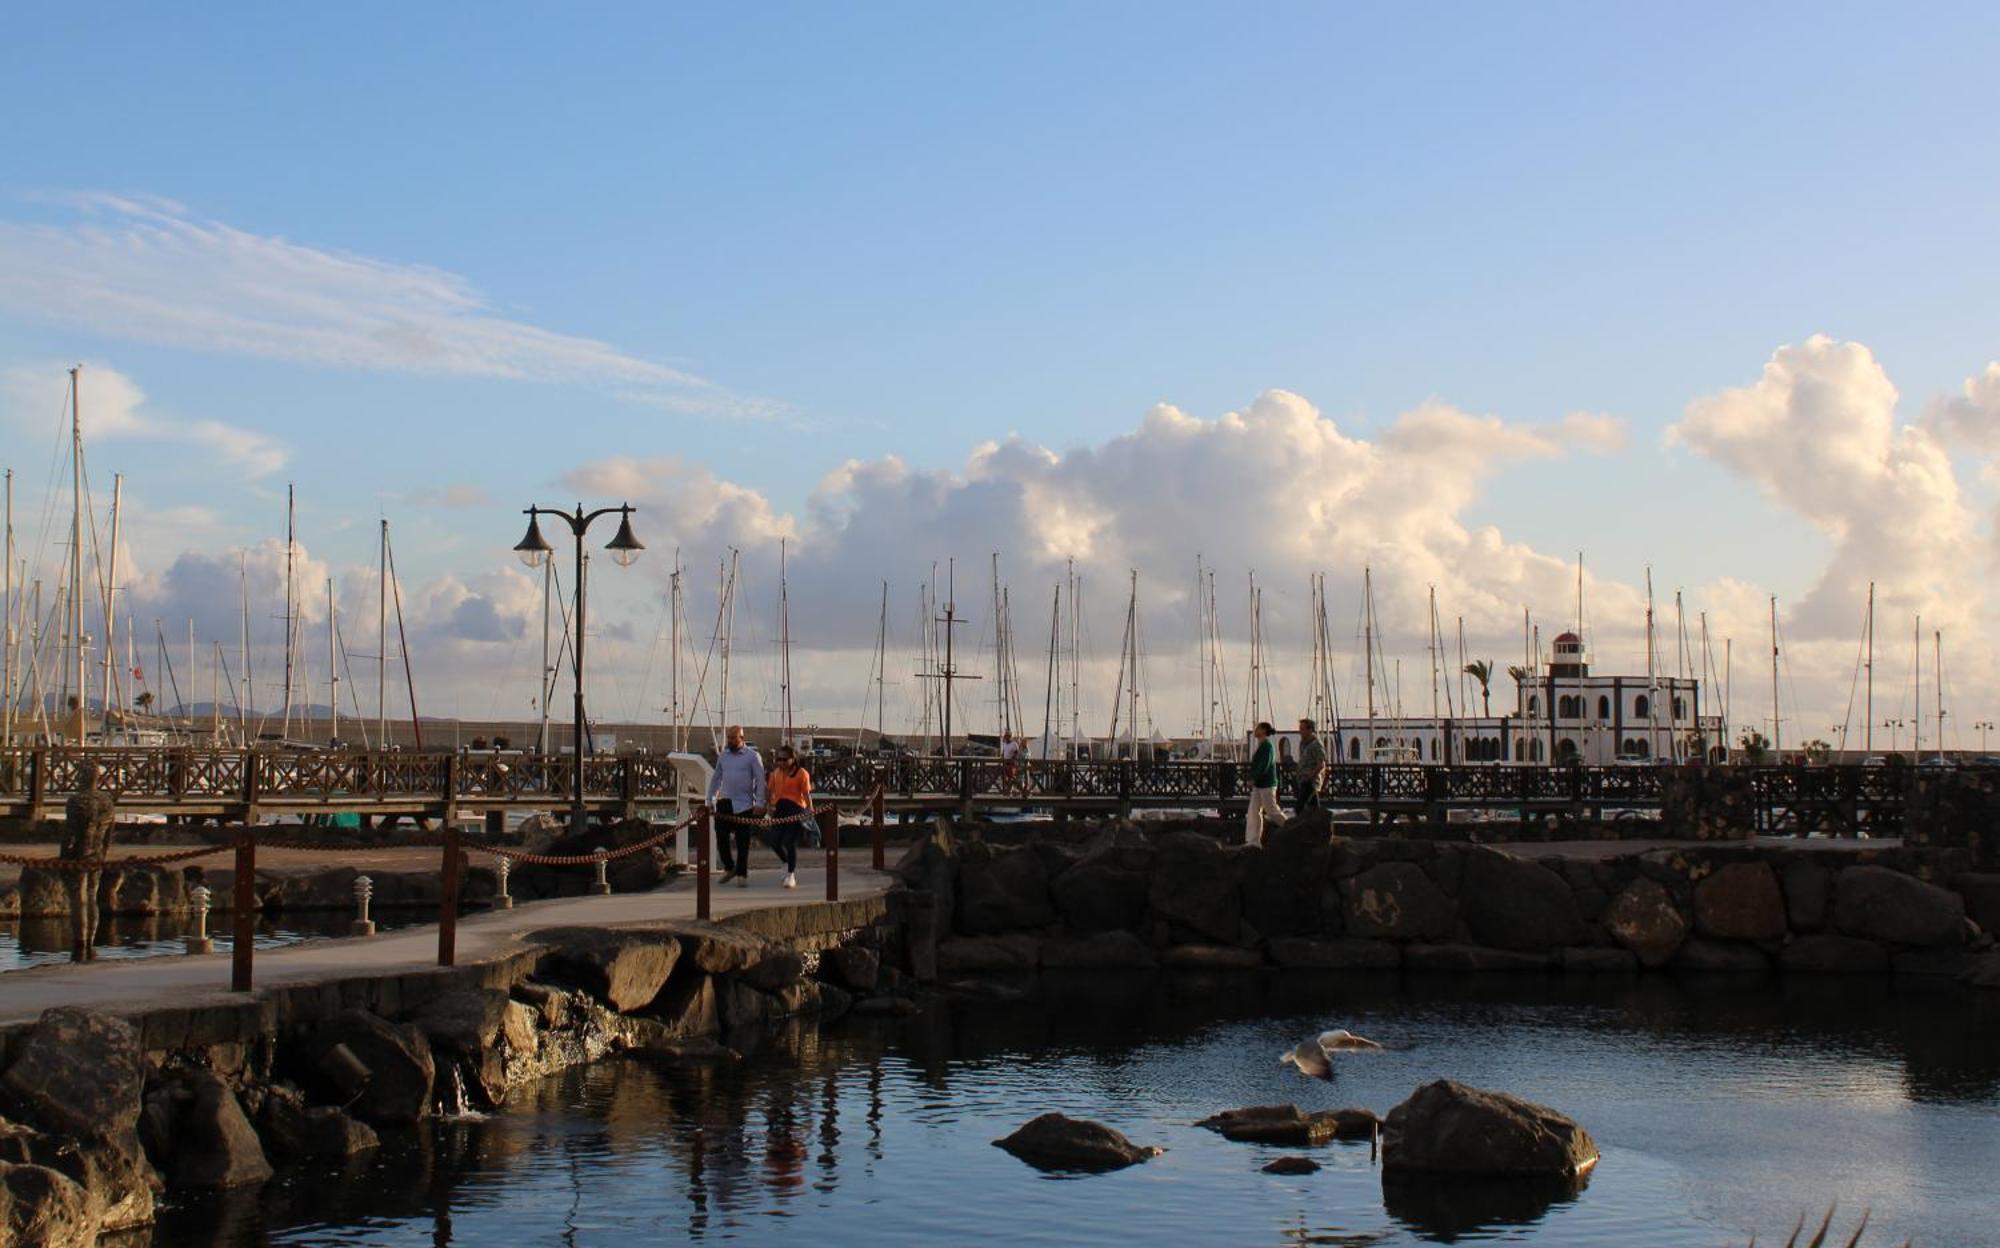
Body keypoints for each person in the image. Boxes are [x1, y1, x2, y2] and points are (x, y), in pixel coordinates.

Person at [62, 764, 116, 962]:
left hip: (78, 854)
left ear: (83, 778)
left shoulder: (77, 801)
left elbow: (69, 833)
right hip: (97, 854)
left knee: (78, 897)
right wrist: (104, 853)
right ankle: (90, 943)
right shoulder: (107, 801)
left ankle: (79, 942)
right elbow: (109, 834)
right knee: (92, 894)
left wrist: (63, 857)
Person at [705, 725, 766, 886]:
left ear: (741, 738)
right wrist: (710, 799)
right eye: (729, 737)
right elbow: (716, 778)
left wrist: (760, 802)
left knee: (742, 841)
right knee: (721, 836)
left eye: (733, 737)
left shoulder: (752, 756)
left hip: (744, 804)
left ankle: (742, 874)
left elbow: (760, 780)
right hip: (725, 801)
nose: (730, 741)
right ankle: (730, 867)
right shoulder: (723, 756)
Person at [765, 745, 813, 890]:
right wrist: (767, 806)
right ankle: (786, 862)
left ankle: (791, 874)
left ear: (793, 759)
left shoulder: (801, 773)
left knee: (789, 842)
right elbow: (769, 791)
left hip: (796, 809)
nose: (781, 762)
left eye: (785, 759)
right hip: (779, 809)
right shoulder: (776, 773)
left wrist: (810, 809)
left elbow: (806, 794)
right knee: (774, 841)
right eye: (779, 759)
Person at [1245, 721, 1284, 847]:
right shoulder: (1262, 745)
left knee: (1271, 810)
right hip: (1259, 785)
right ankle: (1253, 841)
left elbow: (1264, 765)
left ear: (1263, 730)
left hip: (1267, 784)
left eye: (1257, 728)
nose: (1255, 730)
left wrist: (1253, 778)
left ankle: (1288, 826)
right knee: (1253, 811)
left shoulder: (1267, 746)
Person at [1294, 718, 1327, 813]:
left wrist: (1311, 776)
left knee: (1299, 808)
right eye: (1300, 729)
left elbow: (1321, 764)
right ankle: (1318, 824)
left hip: (1311, 781)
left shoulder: (1316, 744)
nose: (1300, 732)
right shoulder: (1302, 743)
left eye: (1303, 729)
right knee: (1314, 807)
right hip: (1302, 779)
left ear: (1310, 730)